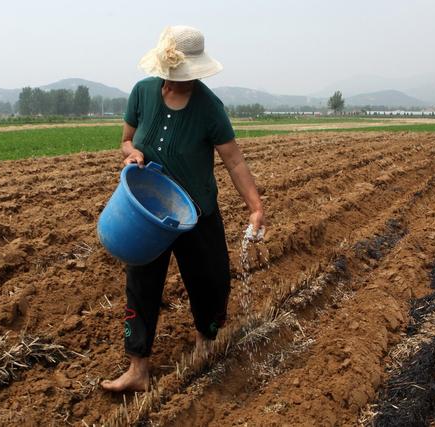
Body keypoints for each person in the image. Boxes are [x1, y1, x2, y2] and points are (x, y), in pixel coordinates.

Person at [101, 25, 265, 392]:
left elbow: (234, 161)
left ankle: (205, 343)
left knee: (210, 281)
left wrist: (256, 207)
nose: (176, 82)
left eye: (184, 76)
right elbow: (125, 140)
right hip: (148, 212)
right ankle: (138, 368)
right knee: (141, 285)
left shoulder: (209, 108)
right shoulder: (142, 93)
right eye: (173, 75)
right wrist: (133, 154)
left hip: (197, 213)